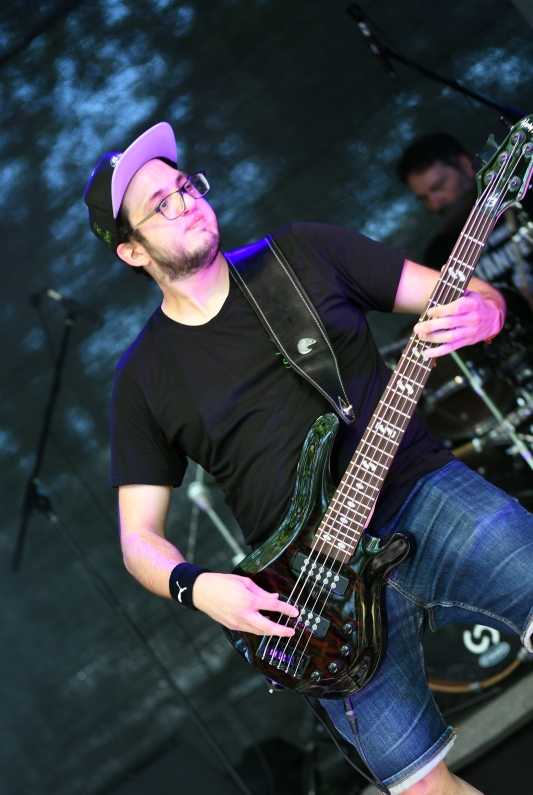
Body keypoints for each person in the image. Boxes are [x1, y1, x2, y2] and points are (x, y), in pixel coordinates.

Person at [84, 122, 533, 795]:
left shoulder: (303, 252)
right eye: (162, 205)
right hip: (313, 592)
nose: (188, 204)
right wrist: (200, 588)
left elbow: (467, 294)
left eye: (186, 187)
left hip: (420, 492)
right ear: (131, 251)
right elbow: (137, 539)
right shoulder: (142, 377)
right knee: (418, 786)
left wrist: (486, 313)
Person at [397, 132, 533, 304]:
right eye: (424, 198)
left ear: (465, 164)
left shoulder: (522, 199)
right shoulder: (438, 256)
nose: (435, 203)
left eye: (438, 187)